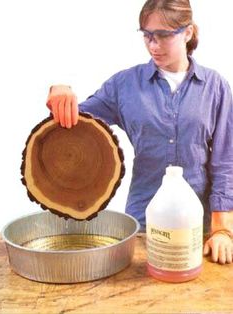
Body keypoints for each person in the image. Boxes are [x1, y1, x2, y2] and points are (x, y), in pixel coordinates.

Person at [46, 0, 233, 264]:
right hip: (144, 223)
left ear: (188, 32)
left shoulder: (216, 87)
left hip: (199, 227)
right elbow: (72, 125)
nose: (153, 45)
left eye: (163, 36)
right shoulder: (124, 86)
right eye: (147, 35)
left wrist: (222, 230)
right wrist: (60, 91)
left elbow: (225, 163)